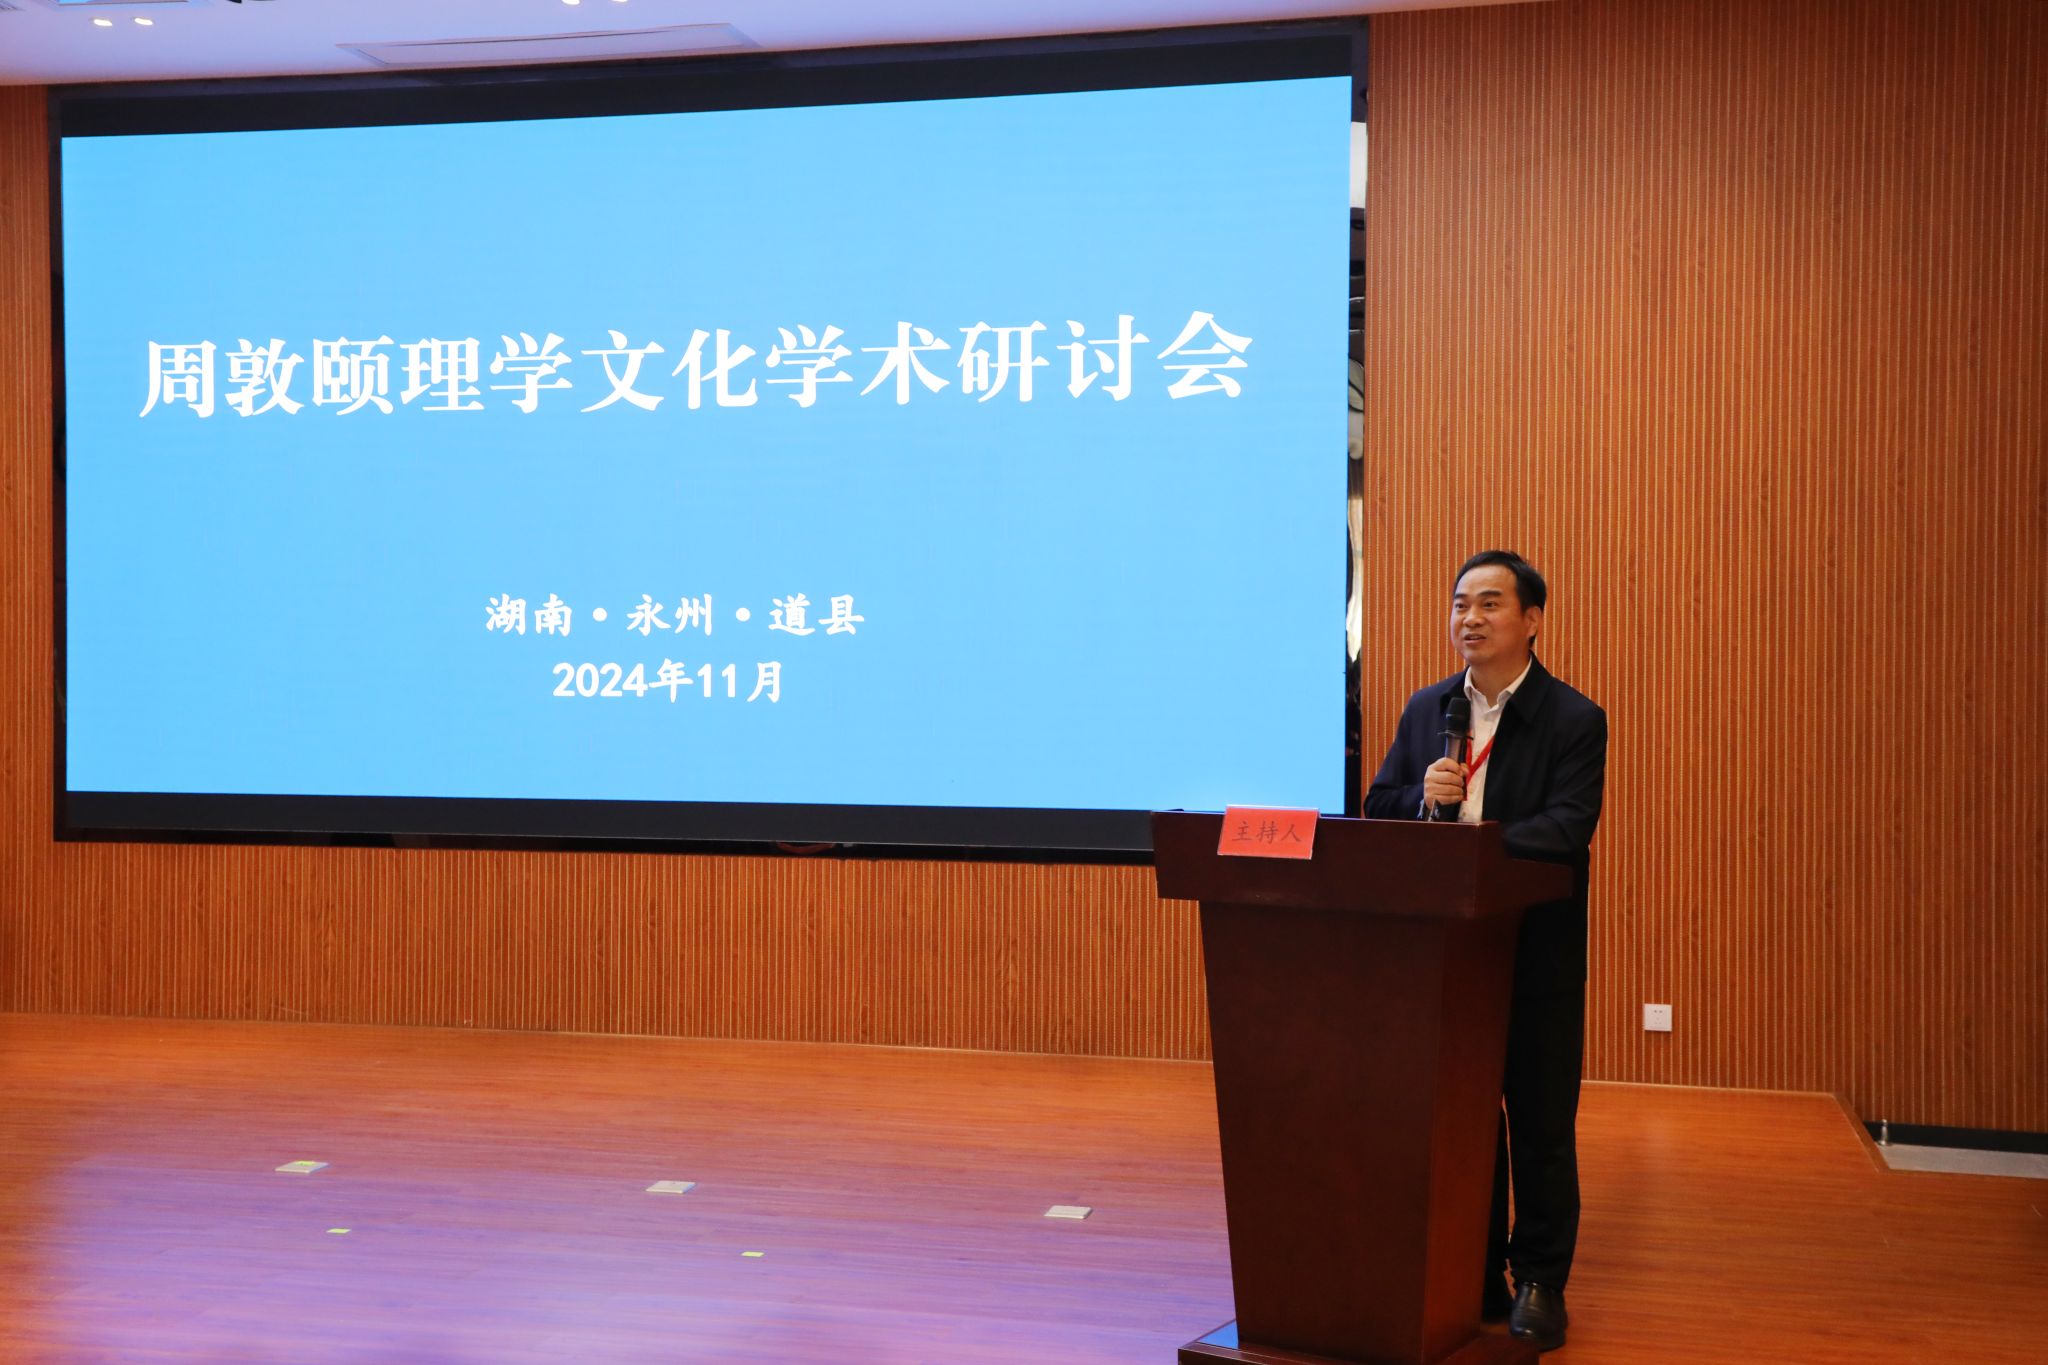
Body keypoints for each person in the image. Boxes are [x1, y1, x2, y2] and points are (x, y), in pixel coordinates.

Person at [1364, 550, 1607, 1353]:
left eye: (1490, 603)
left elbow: (1566, 828)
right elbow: (1378, 803)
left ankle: (1540, 1278)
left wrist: (1471, 834)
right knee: (1464, 1119)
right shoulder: (1428, 708)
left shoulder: (1574, 718)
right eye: (1461, 603)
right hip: (1447, 957)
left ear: (1532, 620)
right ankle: (1474, 1270)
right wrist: (1419, 797)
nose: (1469, 617)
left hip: (1534, 953)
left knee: (1539, 1124)